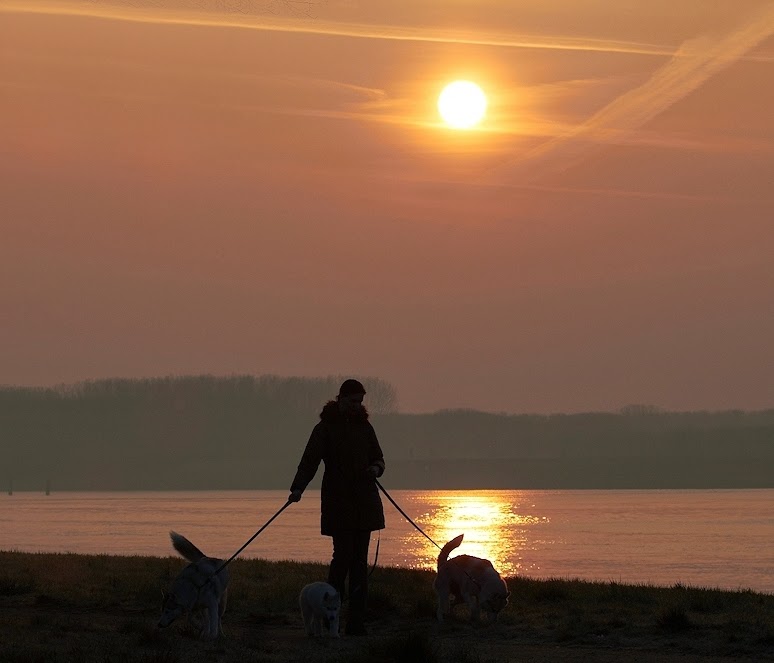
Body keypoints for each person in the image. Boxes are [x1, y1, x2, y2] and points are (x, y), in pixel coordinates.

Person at [288, 378, 385, 636]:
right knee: (342, 559)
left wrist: (376, 468)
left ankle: (356, 623)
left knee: (359, 564)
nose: (357, 406)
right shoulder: (324, 429)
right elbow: (309, 461)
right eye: (353, 401)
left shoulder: (366, 428)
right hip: (338, 502)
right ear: (340, 399)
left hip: (365, 502)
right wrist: (297, 488)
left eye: (360, 402)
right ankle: (330, 618)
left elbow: (379, 457)